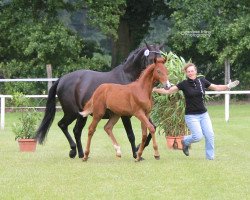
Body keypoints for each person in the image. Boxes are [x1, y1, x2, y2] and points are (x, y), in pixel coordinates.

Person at [153, 63, 239, 160]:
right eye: (188, 71)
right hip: (191, 116)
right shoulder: (184, 84)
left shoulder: (202, 81)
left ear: (195, 71)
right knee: (198, 136)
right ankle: (184, 141)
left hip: (204, 114)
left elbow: (216, 87)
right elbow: (169, 91)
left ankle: (210, 158)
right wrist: (155, 89)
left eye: (192, 71)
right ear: (186, 73)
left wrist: (228, 86)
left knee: (210, 135)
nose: (190, 73)